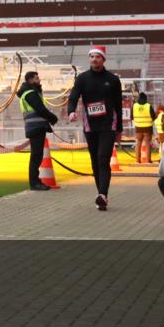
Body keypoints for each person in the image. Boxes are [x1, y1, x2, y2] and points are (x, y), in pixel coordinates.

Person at [67, 45, 123, 211]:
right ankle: (101, 195)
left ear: (103, 59)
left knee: (102, 159)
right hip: (90, 125)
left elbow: (118, 106)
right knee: (94, 162)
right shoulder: (82, 78)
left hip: (108, 125)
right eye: (91, 56)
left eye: (97, 57)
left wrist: (119, 130)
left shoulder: (113, 80)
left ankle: (103, 194)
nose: (94, 59)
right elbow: (73, 97)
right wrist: (71, 112)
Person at [16, 71, 59, 191]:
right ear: (30, 80)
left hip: (35, 126)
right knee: (36, 156)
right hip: (36, 127)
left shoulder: (29, 93)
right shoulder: (31, 93)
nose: (39, 80)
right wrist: (52, 118)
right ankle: (34, 183)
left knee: (37, 155)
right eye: (36, 78)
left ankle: (36, 180)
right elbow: (40, 109)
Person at [132, 92, 154, 163]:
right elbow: (154, 117)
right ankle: (148, 160)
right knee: (148, 143)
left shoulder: (134, 106)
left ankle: (138, 160)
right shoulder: (148, 106)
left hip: (138, 127)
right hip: (148, 128)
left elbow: (131, 117)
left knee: (138, 143)